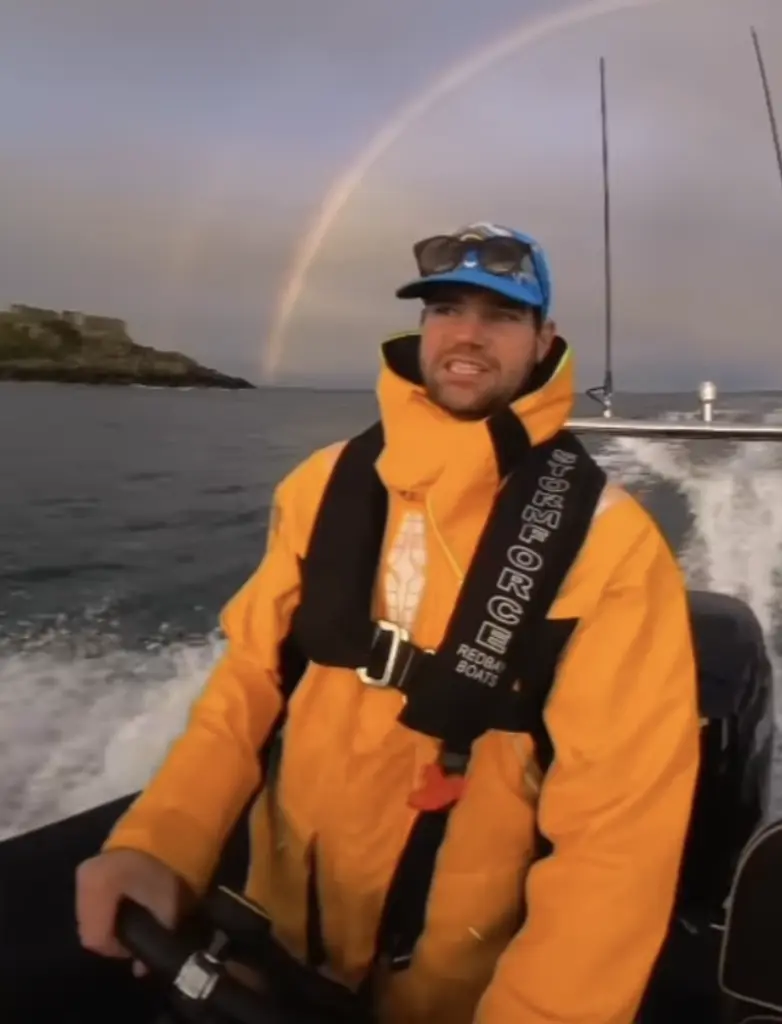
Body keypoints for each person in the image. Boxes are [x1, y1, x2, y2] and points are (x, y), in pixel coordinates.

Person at [76, 222, 701, 1024]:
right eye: (446, 308)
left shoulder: (607, 546)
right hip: (268, 938)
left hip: (451, 984)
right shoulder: (320, 486)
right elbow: (247, 685)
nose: (467, 334)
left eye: (502, 315)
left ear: (544, 342)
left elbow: (620, 836)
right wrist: (159, 845)